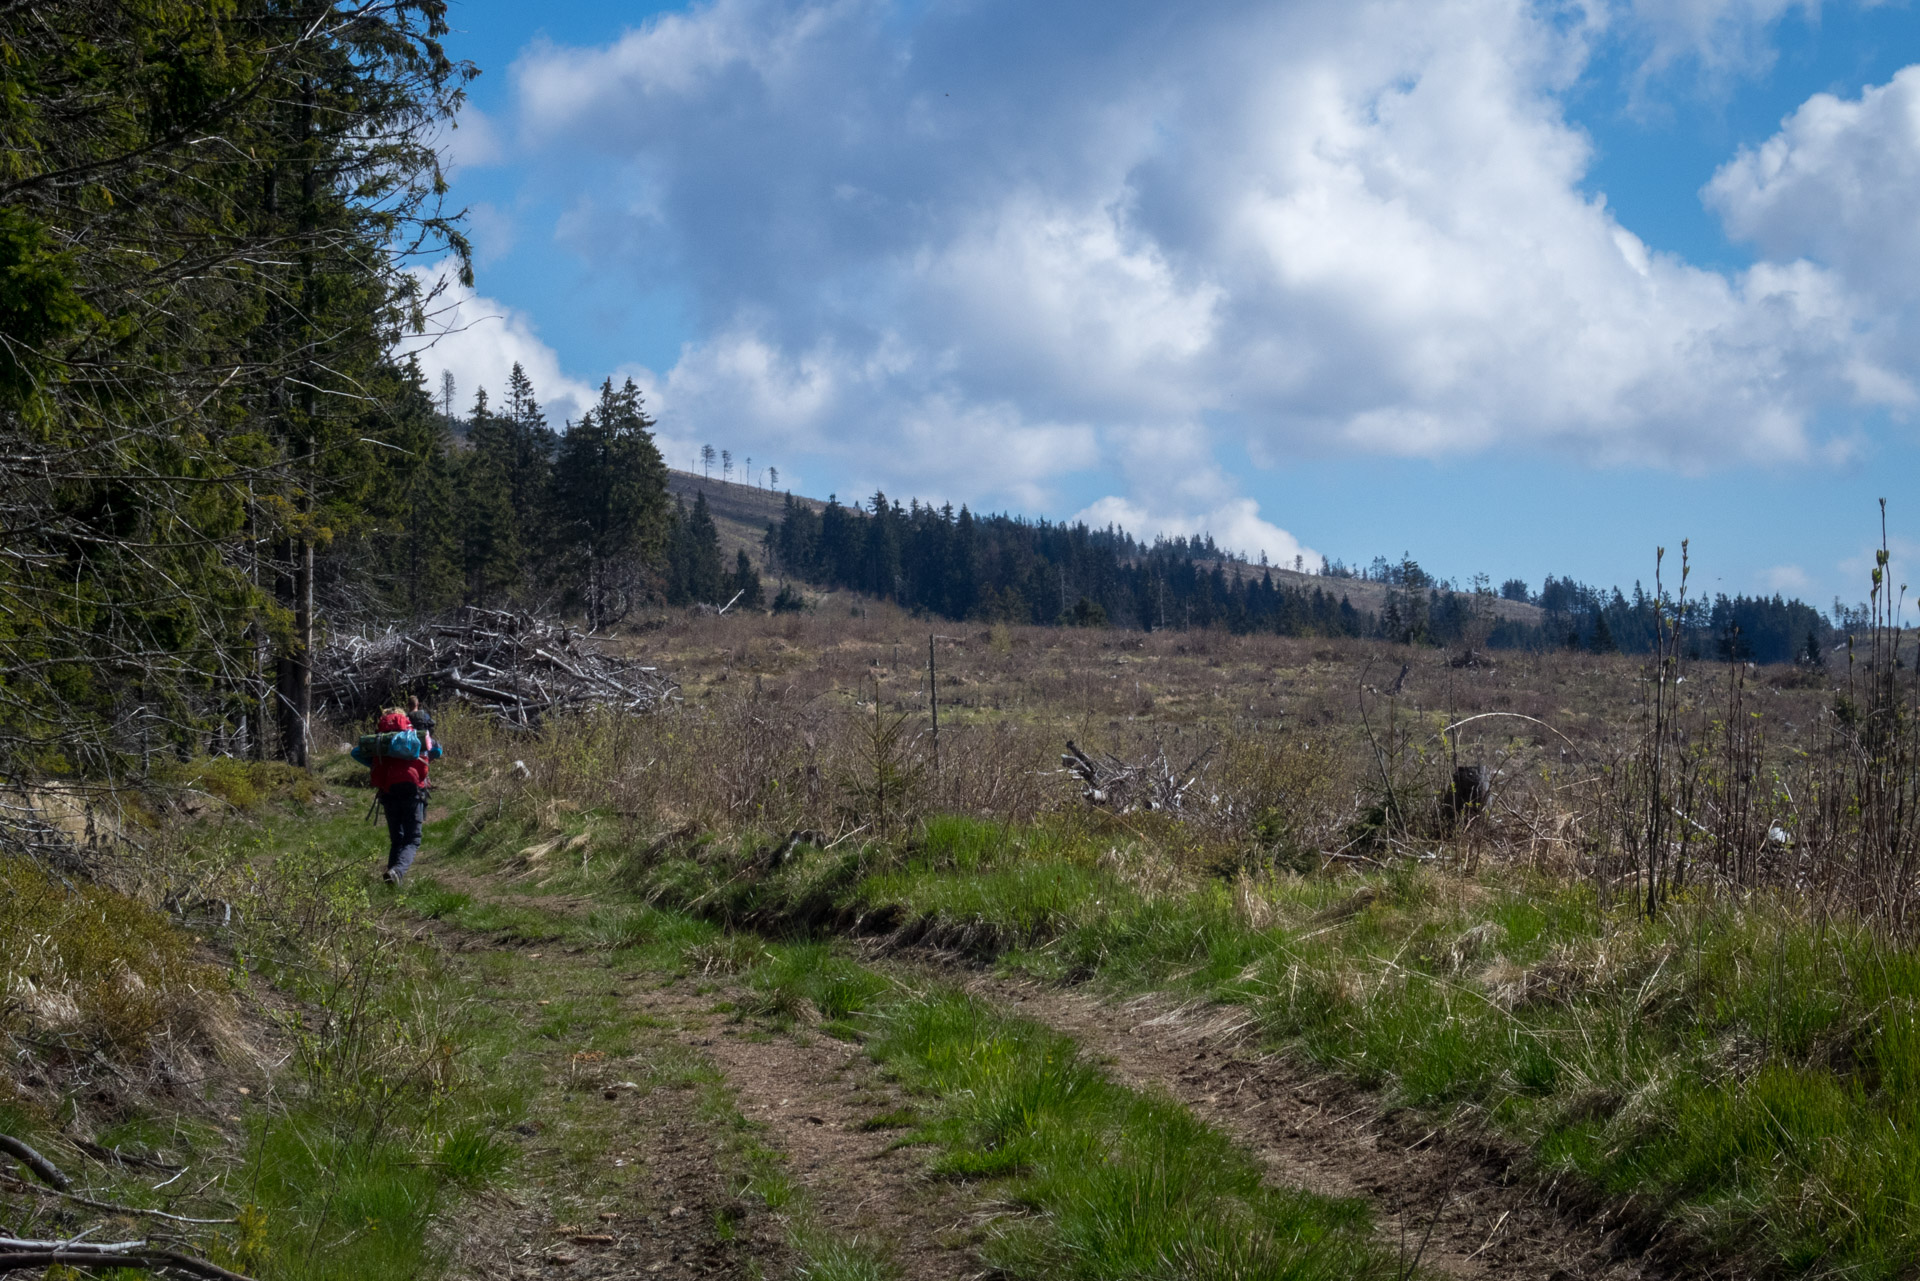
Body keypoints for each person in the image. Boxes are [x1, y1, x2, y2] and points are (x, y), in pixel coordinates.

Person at [369, 708, 436, 884]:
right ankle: (397, 872)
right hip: (412, 791)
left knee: (396, 840)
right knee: (413, 839)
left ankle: (390, 879)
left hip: (388, 792)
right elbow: (430, 759)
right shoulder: (414, 737)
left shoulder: (380, 741)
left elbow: (358, 755)